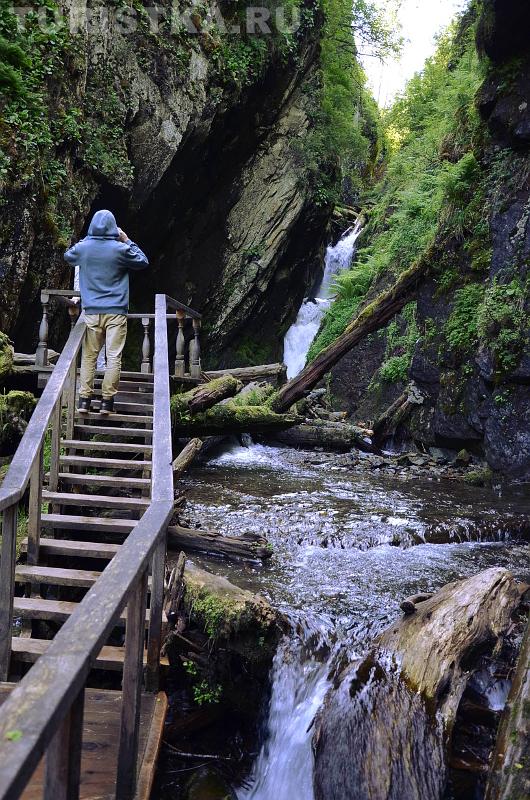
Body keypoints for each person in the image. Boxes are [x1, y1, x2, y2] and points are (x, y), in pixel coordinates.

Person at [64, 209, 149, 415]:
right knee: (113, 357)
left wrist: (88, 239)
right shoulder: (120, 248)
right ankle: (106, 403)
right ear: (114, 227)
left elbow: (68, 255)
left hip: (92, 311)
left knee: (89, 357)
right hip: (116, 312)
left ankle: (84, 400)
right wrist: (127, 239)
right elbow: (143, 261)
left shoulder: (85, 248)